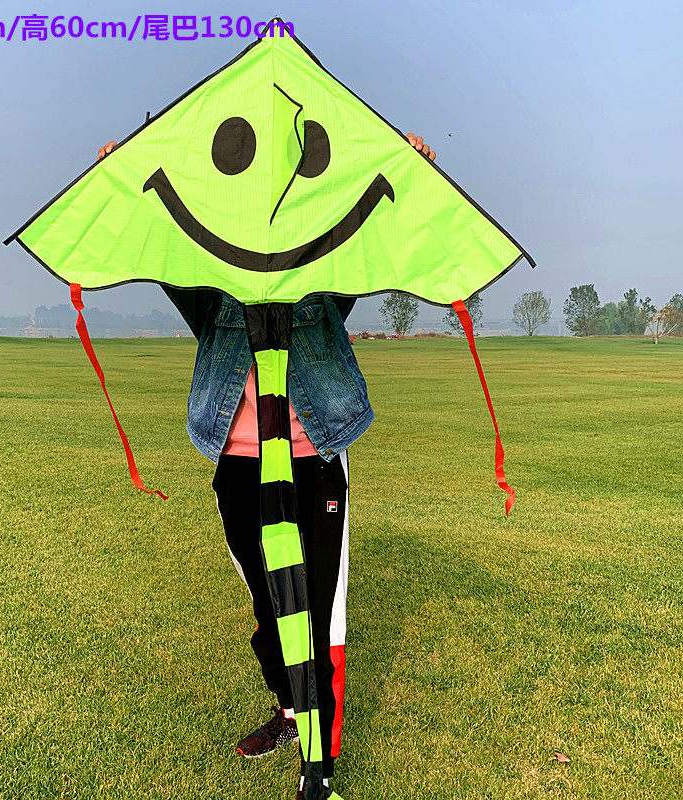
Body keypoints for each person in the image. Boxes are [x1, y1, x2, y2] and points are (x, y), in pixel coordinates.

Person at [97, 132, 436, 796]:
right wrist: (124, 179)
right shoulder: (211, 287)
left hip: (315, 455)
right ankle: (288, 711)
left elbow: (369, 231)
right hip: (238, 461)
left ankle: (319, 763)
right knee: (268, 603)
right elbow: (161, 248)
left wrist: (411, 171)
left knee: (317, 611)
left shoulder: (321, 272)